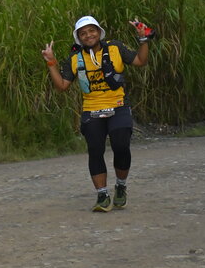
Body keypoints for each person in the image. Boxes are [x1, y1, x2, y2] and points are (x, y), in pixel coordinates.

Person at [41, 15, 154, 212]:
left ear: (99, 32)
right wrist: (51, 62)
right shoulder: (75, 59)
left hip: (118, 105)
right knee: (95, 150)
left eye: (92, 30)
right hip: (92, 109)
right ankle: (102, 195)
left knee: (121, 145)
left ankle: (120, 186)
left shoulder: (115, 48)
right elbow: (62, 86)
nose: (88, 35)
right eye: (83, 33)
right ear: (78, 38)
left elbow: (140, 61)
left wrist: (143, 39)